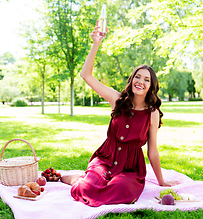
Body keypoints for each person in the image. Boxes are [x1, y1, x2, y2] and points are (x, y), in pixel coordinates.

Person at [61, 23, 179, 207]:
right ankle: (78, 179)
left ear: (151, 86)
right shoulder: (117, 99)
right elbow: (86, 75)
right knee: (88, 188)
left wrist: (161, 181)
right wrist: (96, 44)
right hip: (105, 158)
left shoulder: (152, 113)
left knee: (122, 190)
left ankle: (85, 180)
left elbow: (153, 151)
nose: (141, 81)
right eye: (138, 77)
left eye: (146, 79)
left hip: (130, 167)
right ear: (132, 80)